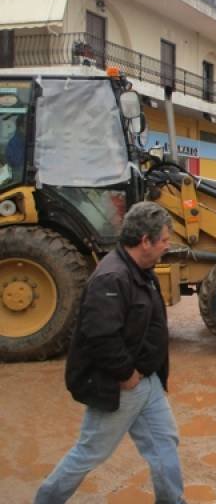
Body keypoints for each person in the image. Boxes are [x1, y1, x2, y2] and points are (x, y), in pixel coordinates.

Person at [35, 202, 184, 503]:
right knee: (90, 452)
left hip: (148, 384)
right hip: (122, 386)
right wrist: (126, 375)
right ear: (145, 241)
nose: (168, 246)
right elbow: (100, 336)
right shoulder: (111, 279)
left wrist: (145, 374)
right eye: (165, 240)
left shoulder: (142, 271)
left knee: (165, 443)